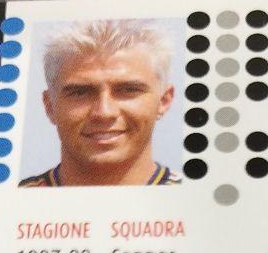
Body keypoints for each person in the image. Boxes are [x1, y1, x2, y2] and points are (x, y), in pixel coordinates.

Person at [21, 19, 180, 187]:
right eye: (80, 93)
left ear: (164, 101)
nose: (104, 112)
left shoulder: (193, 198)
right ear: (49, 106)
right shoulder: (9, 201)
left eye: (128, 90)